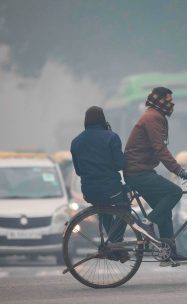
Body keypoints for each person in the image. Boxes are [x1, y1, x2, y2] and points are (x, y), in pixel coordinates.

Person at [124, 87, 187, 264]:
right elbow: (160, 148)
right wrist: (178, 170)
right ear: (159, 101)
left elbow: (159, 148)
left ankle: (168, 253)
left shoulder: (155, 116)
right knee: (175, 192)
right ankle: (147, 224)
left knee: (164, 213)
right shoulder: (153, 117)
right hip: (138, 172)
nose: (171, 105)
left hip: (142, 170)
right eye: (168, 101)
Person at [70, 106, 128, 262]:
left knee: (105, 211)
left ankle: (115, 248)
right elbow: (119, 164)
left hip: (89, 191)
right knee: (126, 208)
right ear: (102, 119)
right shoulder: (111, 137)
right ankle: (115, 244)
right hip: (111, 189)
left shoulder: (76, 142)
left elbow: (78, 170)